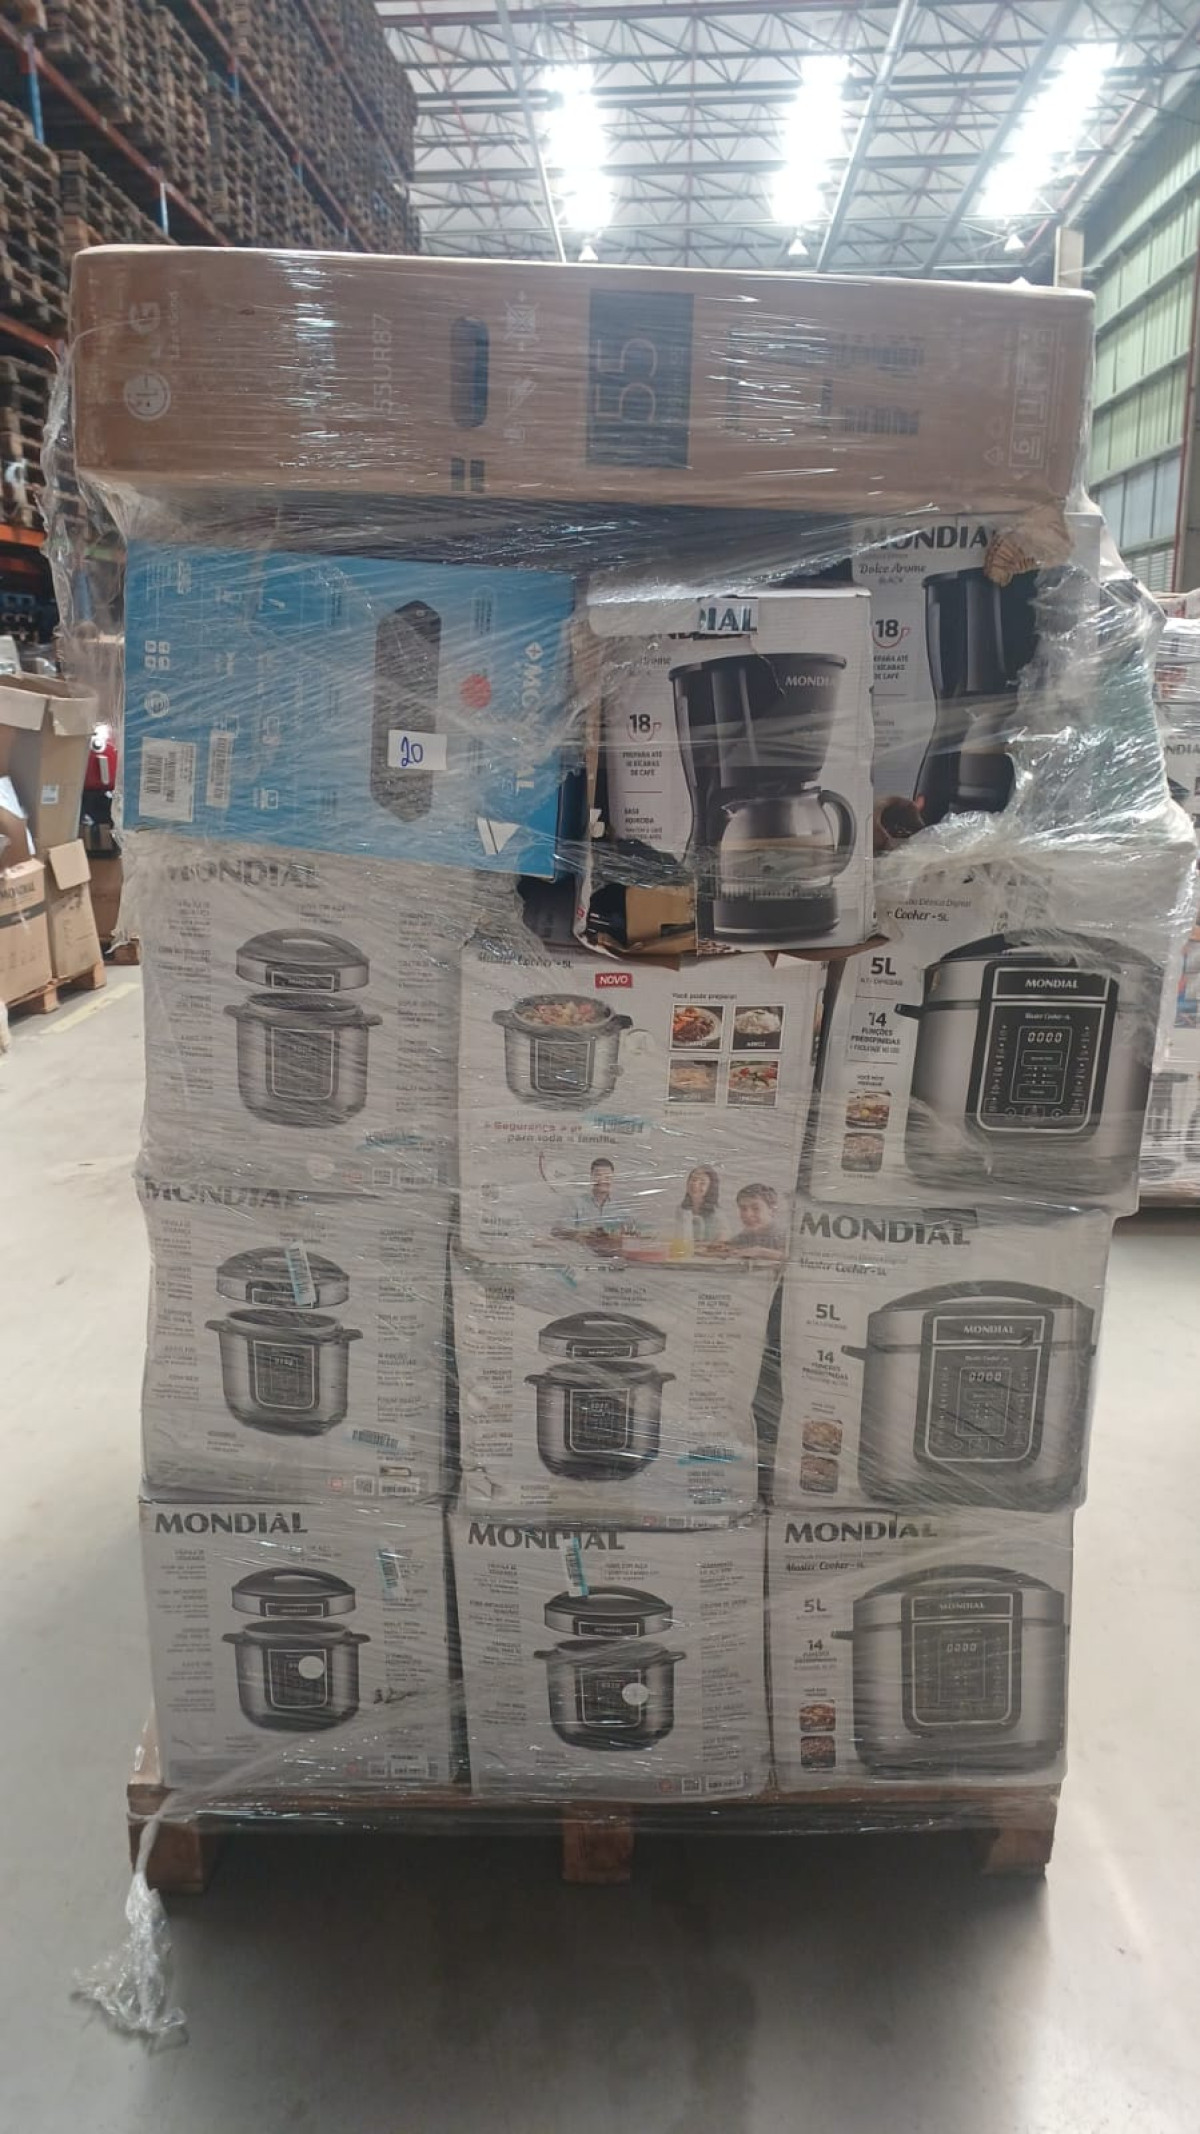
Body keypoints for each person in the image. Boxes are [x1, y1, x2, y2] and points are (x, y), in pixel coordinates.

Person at [554, 1157, 637, 1239]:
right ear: (591, 1177)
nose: (602, 1180)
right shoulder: (576, 1203)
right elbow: (559, 1231)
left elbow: (633, 1233)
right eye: (598, 1175)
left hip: (613, 1247)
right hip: (582, 1247)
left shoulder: (621, 1207)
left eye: (607, 1177)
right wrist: (584, 1234)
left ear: (613, 1179)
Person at [727, 1182, 788, 1260]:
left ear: (772, 1210)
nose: (748, 1215)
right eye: (743, 1209)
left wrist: (761, 1252)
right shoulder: (739, 1239)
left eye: (756, 1208)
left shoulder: (786, 1238)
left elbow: (795, 1259)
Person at [677, 1165, 729, 1251]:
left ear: (710, 1187)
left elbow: (723, 1239)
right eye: (693, 1180)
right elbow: (679, 1237)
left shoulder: (717, 1213)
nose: (695, 1185)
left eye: (702, 1183)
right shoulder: (681, 1210)